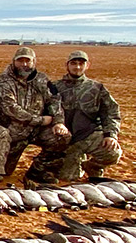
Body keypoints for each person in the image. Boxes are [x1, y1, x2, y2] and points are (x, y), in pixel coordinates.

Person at [0, 47, 70, 184]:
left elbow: (54, 100)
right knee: (5, 172)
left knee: (62, 136)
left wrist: (58, 122)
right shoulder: (2, 81)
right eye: (20, 61)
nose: (24, 64)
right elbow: (11, 108)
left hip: (35, 130)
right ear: (13, 62)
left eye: (28, 61)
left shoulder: (43, 80)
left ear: (34, 62)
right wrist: (39, 120)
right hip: (13, 132)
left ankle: (38, 170)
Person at [42, 51, 122, 182]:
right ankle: (63, 159)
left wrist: (111, 134)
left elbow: (111, 112)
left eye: (81, 64)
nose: (77, 67)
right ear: (67, 65)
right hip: (64, 140)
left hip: (88, 135)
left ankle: (93, 167)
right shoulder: (54, 87)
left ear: (87, 66)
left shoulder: (96, 88)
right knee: (67, 178)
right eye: (73, 63)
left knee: (113, 152)